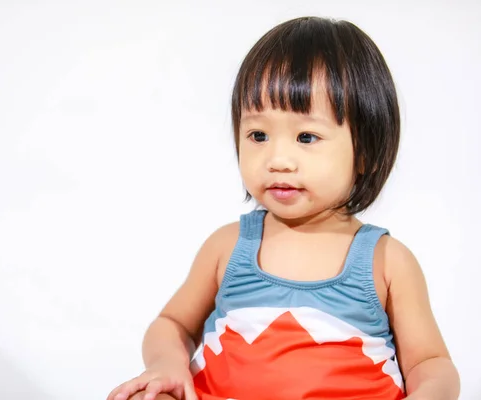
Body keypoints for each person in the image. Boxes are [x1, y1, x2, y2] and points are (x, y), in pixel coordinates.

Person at [107, 15, 460, 400]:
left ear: (367, 152)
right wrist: (166, 366)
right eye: (258, 135)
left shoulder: (388, 261)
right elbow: (172, 324)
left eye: (306, 137)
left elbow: (430, 363)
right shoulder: (227, 246)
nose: (277, 159)